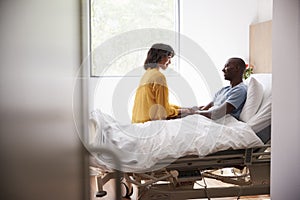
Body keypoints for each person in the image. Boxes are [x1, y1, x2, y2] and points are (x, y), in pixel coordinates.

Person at [132, 43, 192, 123]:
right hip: (150, 125)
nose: (170, 62)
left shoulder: (147, 74)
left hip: (137, 124)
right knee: (192, 116)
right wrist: (181, 111)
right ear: (160, 56)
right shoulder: (159, 77)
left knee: (189, 111)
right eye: (169, 57)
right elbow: (163, 112)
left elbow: (159, 104)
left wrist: (180, 108)